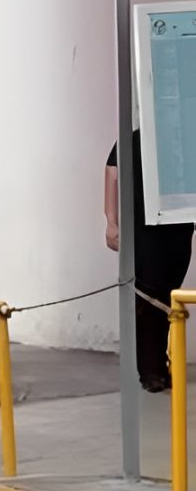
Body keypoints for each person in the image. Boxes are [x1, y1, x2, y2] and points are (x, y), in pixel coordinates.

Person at [105, 130, 194, 392]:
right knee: (148, 295)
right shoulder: (135, 137)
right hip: (146, 227)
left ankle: (159, 363)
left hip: (178, 225)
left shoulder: (182, 134)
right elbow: (112, 171)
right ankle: (150, 370)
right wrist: (111, 221)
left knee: (168, 296)